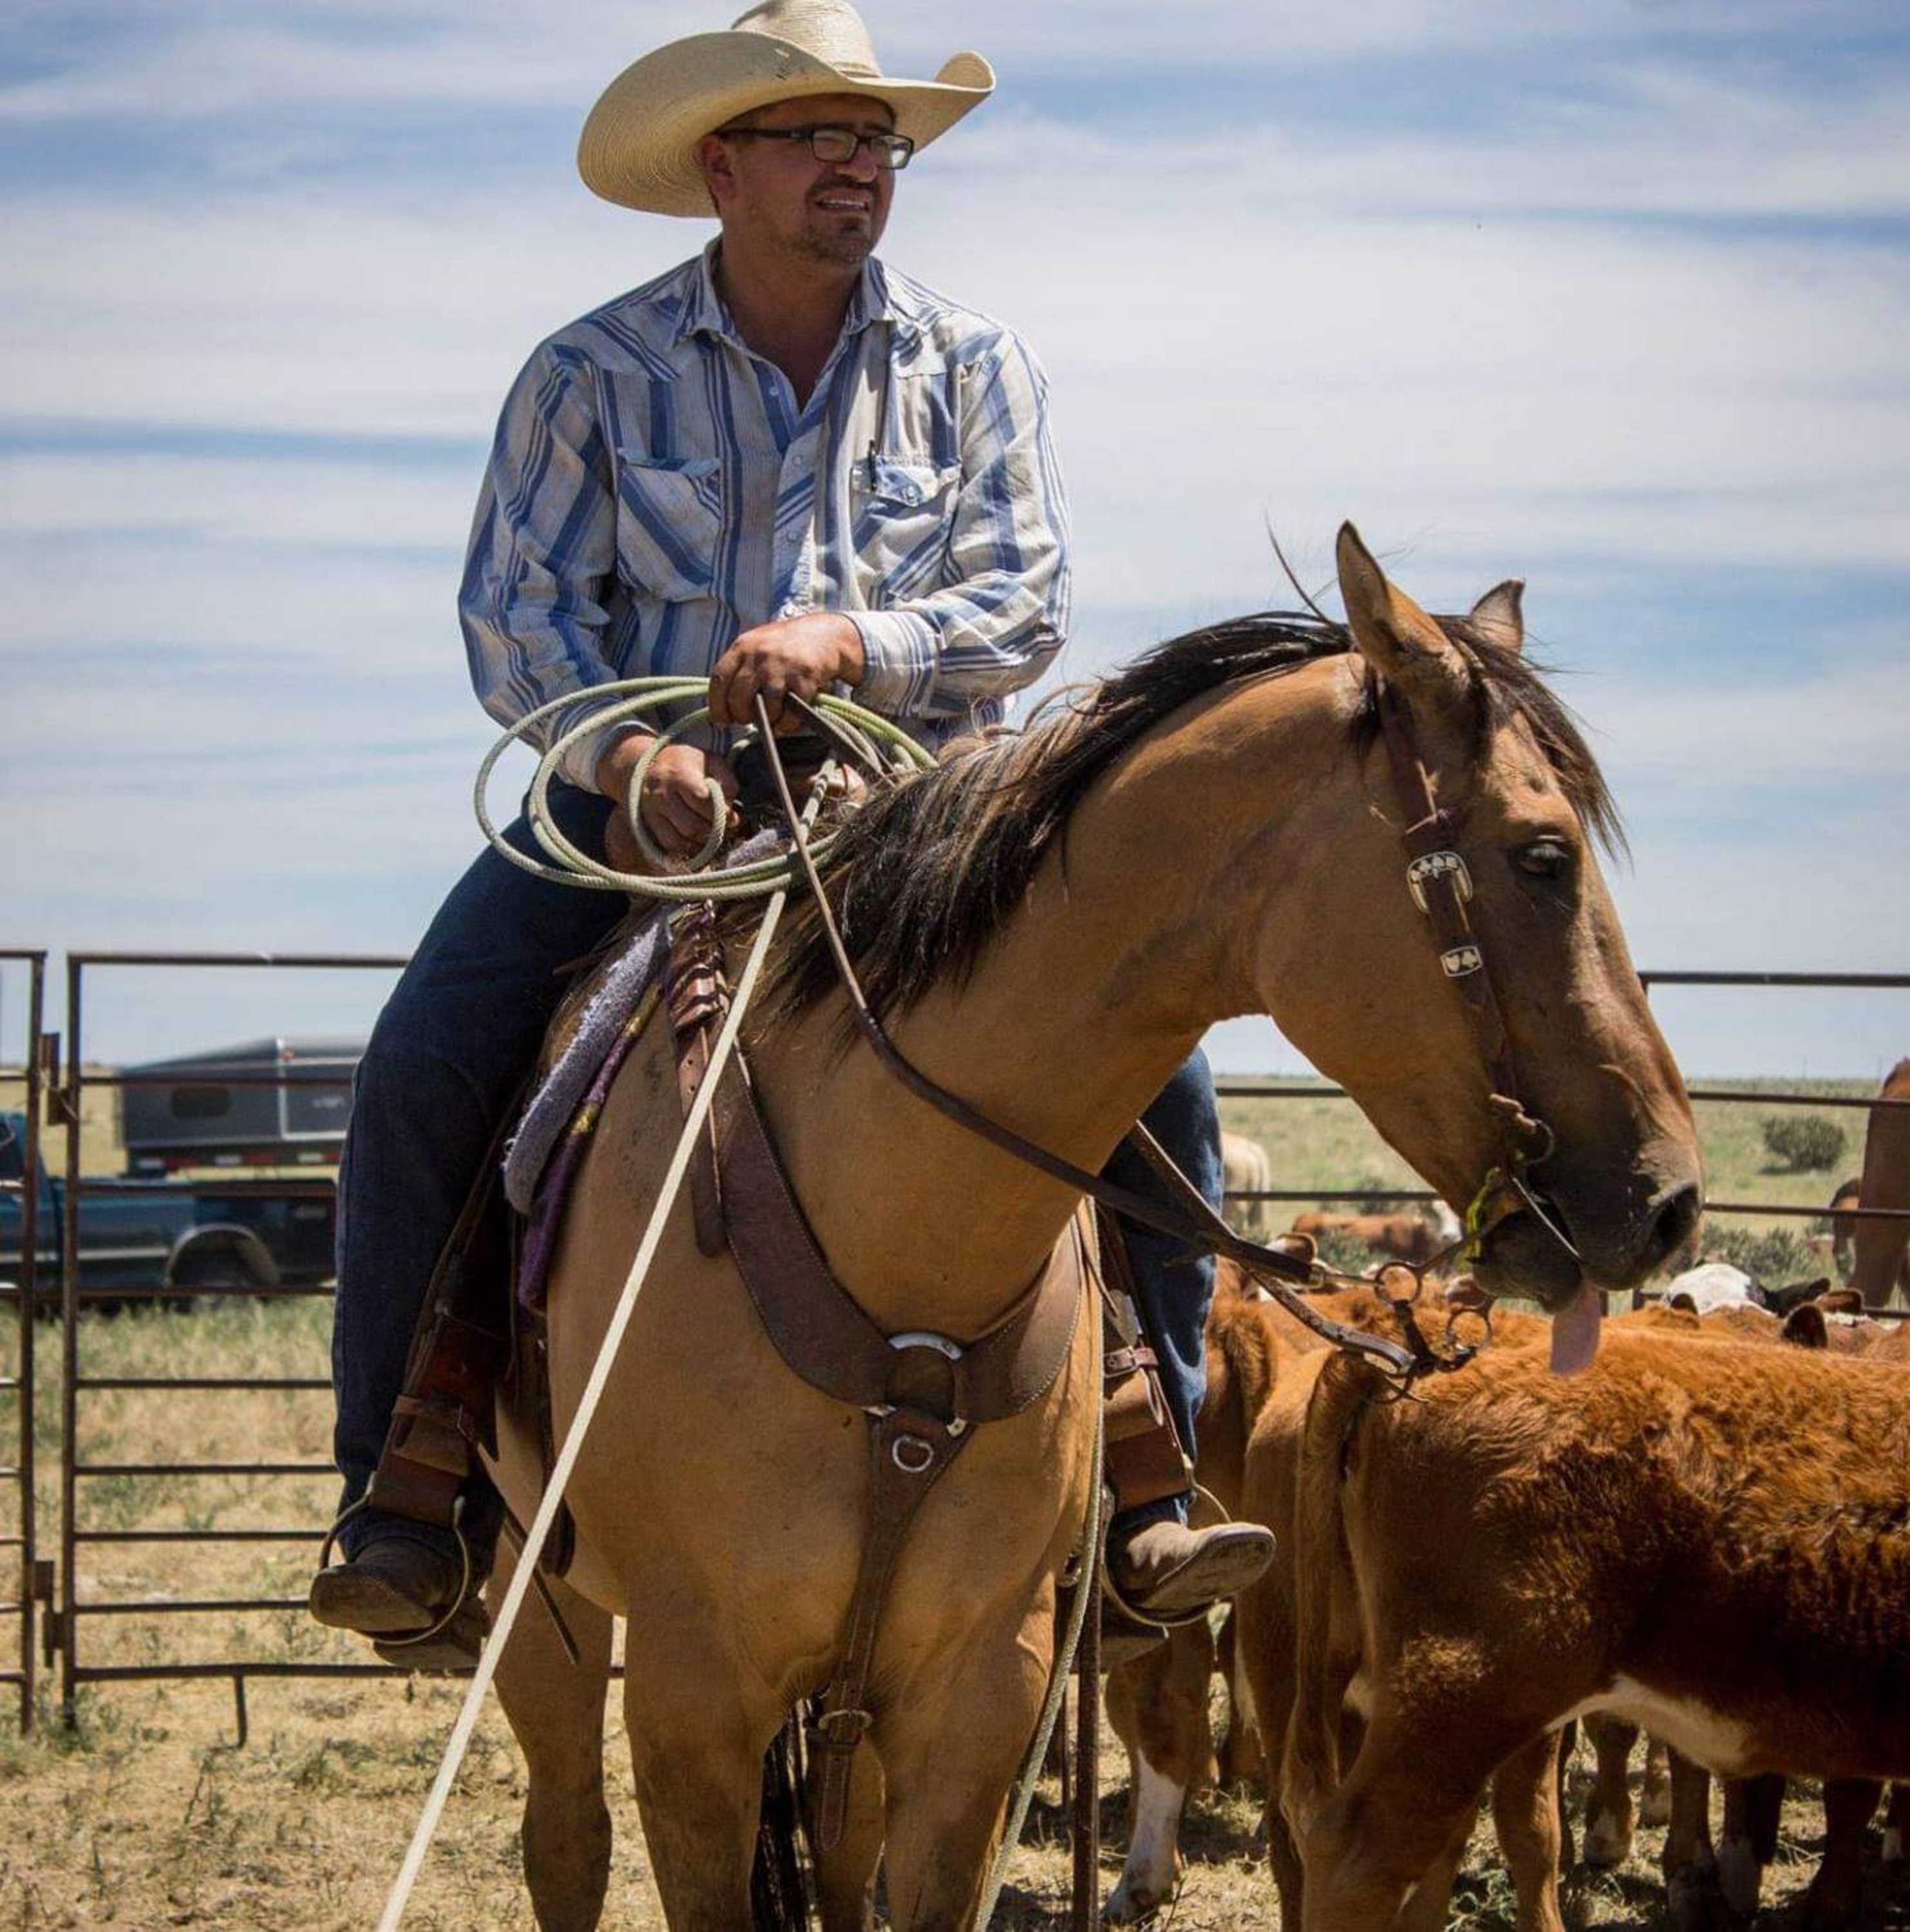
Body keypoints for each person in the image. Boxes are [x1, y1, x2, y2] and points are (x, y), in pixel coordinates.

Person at [310, 0, 1273, 1664]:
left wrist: (850, 643)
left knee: (1158, 1072)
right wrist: (627, 758)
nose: (861, 164)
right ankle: (409, 1490)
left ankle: (1143, 1478)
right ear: (722, 169)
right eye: (821, 134)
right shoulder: (586, 377)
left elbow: (1024, 603)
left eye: (877, 138)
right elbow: (519, 627)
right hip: (643, 812)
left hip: (925, 810)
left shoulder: (973, 365)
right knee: (425, 1060)